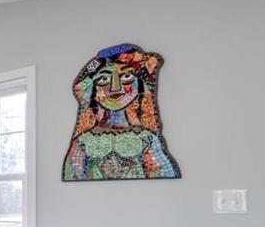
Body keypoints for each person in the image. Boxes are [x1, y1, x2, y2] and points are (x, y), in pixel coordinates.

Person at [63, 43, 181, 181]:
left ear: (140, 85)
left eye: (126, 77)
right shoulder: (82, 141)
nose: (115, 87)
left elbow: (160, 173)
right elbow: (73, 175)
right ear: (93, 91)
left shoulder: (148, 138)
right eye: (104, 79)